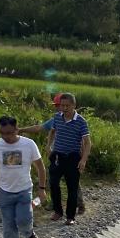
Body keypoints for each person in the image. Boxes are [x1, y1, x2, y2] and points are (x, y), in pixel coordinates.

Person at [0, 116, 48, 238]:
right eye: (2, 133)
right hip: (4, 191)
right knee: (8, 226)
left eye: (9, 133)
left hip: (24, 190)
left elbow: (40, 167)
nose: (6, 137)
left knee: (23, 220)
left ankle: (29, 233)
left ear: (16, 129)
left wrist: (41, 189)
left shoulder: (28, 144)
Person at [42, 93, 91, 225]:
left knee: (72, 188)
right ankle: (58, 211)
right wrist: (48, 146)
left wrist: (83, 160)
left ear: (74, 105)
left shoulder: (81, 121)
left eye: (67, 106)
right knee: (53, 184)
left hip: (73, 157)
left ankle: (70, 217)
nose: (64, 108)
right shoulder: (57, 117)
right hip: (57, 155)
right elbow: (52, 131)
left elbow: (87, 143)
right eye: (62, 105)